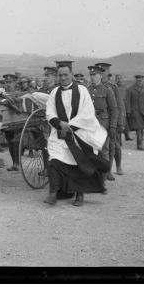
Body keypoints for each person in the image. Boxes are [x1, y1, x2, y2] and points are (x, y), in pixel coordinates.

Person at [43, 60, 109, 207]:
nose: (63, 78)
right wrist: (59, 123)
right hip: (60, 133)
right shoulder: (54, 93)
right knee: (54, 159)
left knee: (80, 162)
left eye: (66, 74)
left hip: (79, 133)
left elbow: (87, 113)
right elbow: (49, 112)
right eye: (60, 75)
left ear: (71, 74)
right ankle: (53, 193)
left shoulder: (82, 90)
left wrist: (71, 126)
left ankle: (80, 194)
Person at [87, 65, 119, 181]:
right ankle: (93, 175)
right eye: (91, 75)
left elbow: (114, 109)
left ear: (100, 75)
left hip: (103, 124)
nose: (92, 77)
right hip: (90, 124)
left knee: (104, 150)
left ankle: (103, 177)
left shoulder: (107, 90)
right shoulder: (87, 90)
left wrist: (113, 126)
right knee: (91, 149)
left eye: (94, 75)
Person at [95, 62, 126, 175]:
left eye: (104, 71)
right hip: (98, 121)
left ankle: (114, 168)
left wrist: (120, 123)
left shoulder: (113, 87)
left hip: (111, 121)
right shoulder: (93, 87)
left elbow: (119, 106)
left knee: (113, 145)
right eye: (100, 71)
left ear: (108, 73)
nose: (102, 74)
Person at [125, 75, 144, 150]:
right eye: (138, 80)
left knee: (142, 128)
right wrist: (128, 111)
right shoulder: (130, 89)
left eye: (140, 80)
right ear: (136, 80)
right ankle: (139, 144)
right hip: (135, 111)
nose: (139, 81)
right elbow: (128, 101)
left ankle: (142, 142)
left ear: (143, 80)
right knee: (138, 128)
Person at [114, 74, 133, 141]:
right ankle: (119, 140)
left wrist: (128, 109)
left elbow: (128, 99)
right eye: (118, 78)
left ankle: (127, 136)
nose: (119, 80)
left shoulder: (126, 88)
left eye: (120, 78)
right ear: (116, 80)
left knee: (125, 123)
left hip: (124, 107)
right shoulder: (114, 87)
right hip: (117, 107)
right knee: (118, 123)